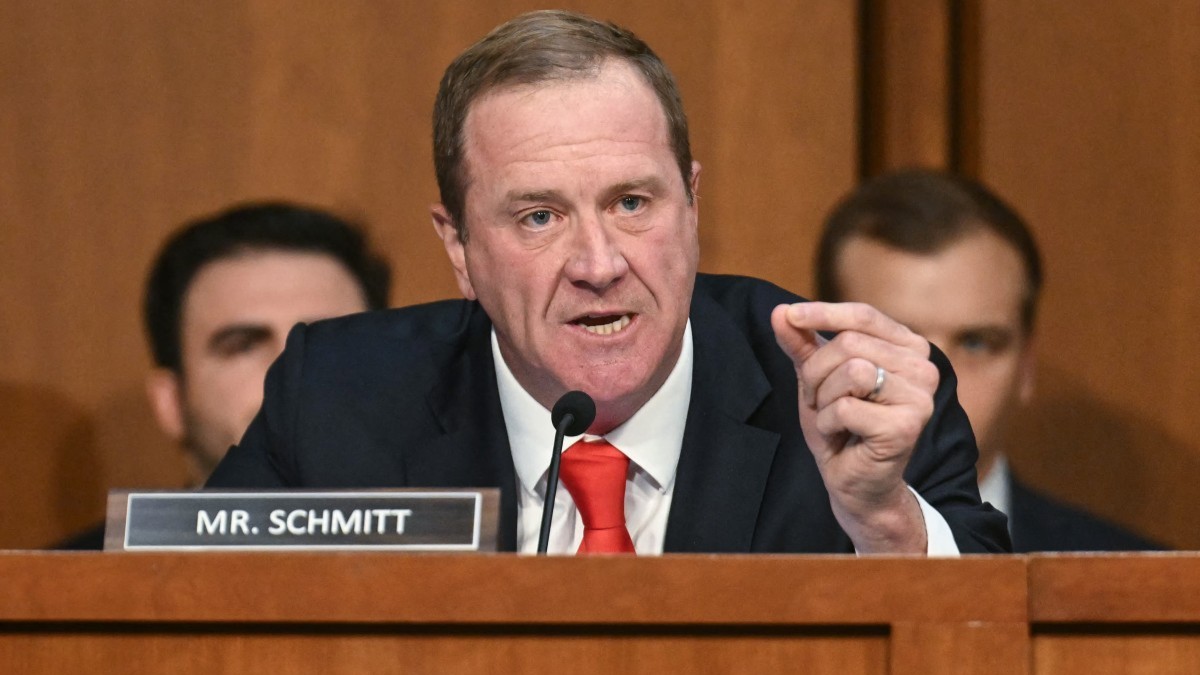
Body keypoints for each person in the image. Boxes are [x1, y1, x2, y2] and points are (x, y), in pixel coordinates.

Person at [208, 10, 1009, 555]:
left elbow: (992, 647)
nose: (598, 264)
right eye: (538, 218)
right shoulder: (336, 401)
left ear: (692, 204)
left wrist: (885, 523)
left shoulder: (851, 404)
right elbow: (183, 613)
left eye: (632, 203)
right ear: (457, 247)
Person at [815, 169, 1161, 552]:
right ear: (826, 353)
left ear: (1026, 366)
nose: (935, 381)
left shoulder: (1149, 587)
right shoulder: (747, 554)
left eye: (977, 343)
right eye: (896, 340)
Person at [56, 202, 392, 549]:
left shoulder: (451, 569)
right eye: (243, 346)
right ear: (171, 401)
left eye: (329, 339)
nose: (292, 370)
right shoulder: (50, 591)